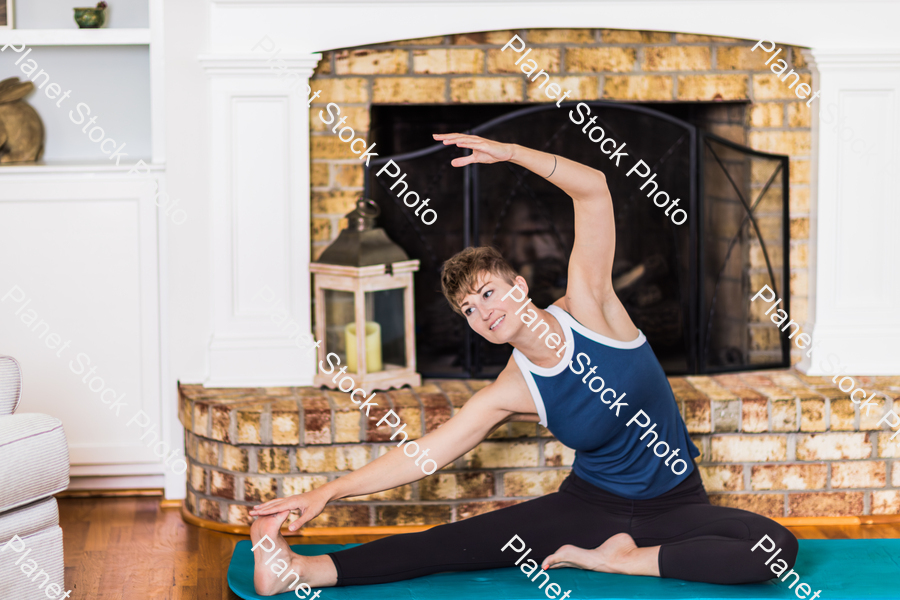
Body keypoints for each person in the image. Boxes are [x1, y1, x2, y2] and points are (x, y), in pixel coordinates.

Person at [248, 133, 798, 595]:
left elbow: (595, 191)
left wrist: (511, 153)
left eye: (488, 293)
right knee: (453, 544)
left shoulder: (592, 307)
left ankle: (622, 559)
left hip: (675, 504)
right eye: (468, 308)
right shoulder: (511, 389)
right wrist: (326, 492)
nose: (482, 311)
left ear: (520, 287)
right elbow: (422, 457)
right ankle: (300, 569)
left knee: (775, 550)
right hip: (589, 507)